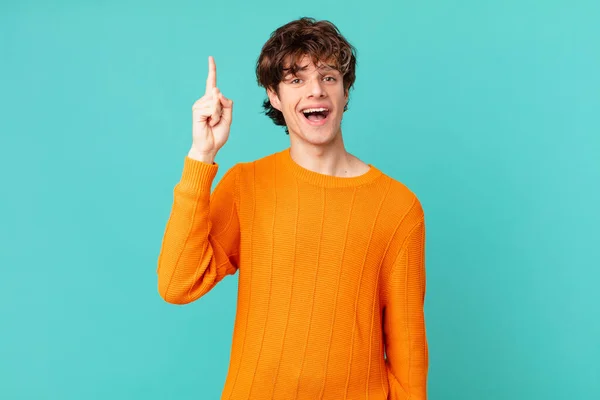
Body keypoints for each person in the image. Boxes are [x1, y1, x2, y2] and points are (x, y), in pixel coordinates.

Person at [157, 17, 428, 400]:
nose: (315, 91)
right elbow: (176, 284)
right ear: (274, 95)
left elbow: (408, 347)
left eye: (329, 77)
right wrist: (202, 156)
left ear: (345, 92)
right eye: (296, 79)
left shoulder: (398, 207)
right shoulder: (245, 185)